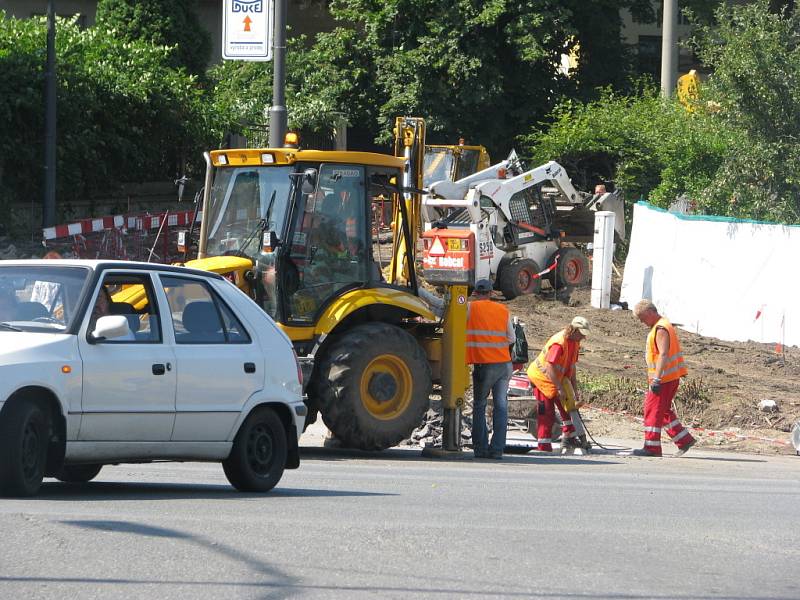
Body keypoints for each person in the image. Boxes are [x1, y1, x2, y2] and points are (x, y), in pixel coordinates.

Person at [632, 300, 696, 457]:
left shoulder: (661, 328)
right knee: (663, 411)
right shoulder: (662, 325)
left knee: (652, 411)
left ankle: (652, 447)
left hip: (664, 379)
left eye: (642, 318)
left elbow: (663, 354)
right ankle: (684, 439)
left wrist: (656, 379)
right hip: (668, 377)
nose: (641, 322)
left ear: (650, 313)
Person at [467, 279, 515, 460]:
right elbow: (511, 338)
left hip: (484, 366)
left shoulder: (470, 308)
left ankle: (480, 448)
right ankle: (497, 450)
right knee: (501, 406)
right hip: (504, 365)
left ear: (475, 293)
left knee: (479, 405)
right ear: (491, 292)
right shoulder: (503, 310)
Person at [526, 316, 589, 453]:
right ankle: (544, 446)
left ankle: (569, 436)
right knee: (546, 411)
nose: (584, 338)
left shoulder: (575, 342)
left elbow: (571, 367)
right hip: (541, 378)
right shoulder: (559, 343)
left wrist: (574, 390)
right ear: (574, 330)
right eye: (582, 334)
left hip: (555, 378)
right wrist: (559, 388)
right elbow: (549, 367)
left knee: (566, 407)